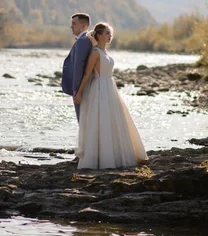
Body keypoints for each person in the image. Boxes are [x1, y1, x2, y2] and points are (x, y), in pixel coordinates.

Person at [74, 22, 148, 169]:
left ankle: (115, 155)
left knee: (114, 120)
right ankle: (99, 158)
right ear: (99, 35)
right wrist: (79, 92)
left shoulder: (105, 52)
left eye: (110, 33)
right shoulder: (95, 52)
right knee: (101, 121)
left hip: (110, 87)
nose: (110, 36)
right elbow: (88, 74)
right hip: (100, 88)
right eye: (107, 33)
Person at [61, 13, 92, 122]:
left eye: (74, 24)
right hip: (84, 88)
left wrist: (77, 91)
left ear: (83, 26)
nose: (71, 26)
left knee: (82, 120)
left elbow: (79, 68)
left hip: (80, 90)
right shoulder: (86, 39)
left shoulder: (82, 41)